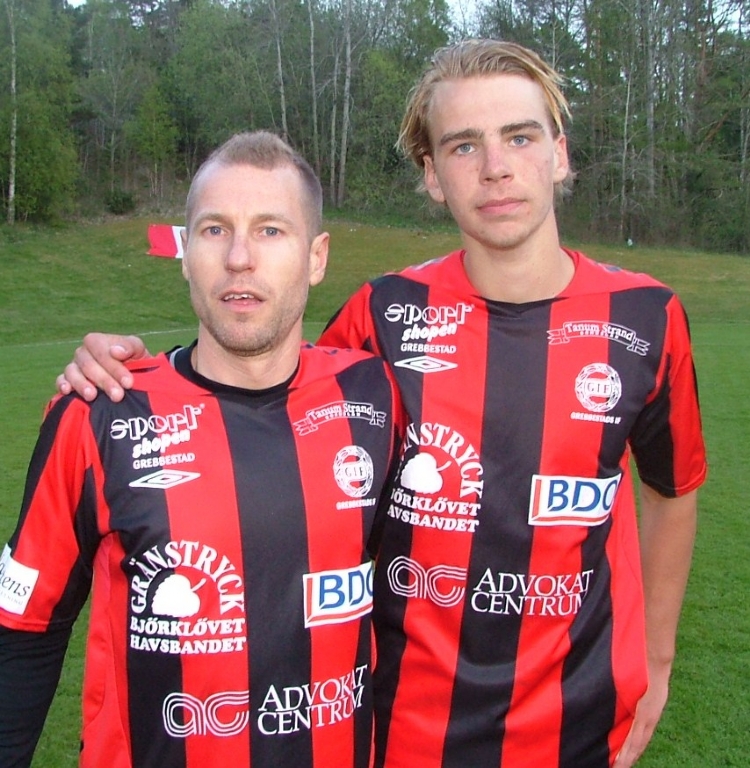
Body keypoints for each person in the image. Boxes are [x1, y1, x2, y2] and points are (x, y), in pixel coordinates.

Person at [54, 40, 707, 768]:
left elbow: (672, 488)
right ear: (432, 177)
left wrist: (657, 658)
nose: (495, 167)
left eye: (520, 137)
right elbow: (264, 396)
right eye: (464, 146)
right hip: (398, 727)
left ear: (559, 153)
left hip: (576, 722)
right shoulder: (384, 314)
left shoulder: (647, 318)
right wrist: (124, 375)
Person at [0, 131, 403, 768]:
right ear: (186, 254)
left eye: (271, 230)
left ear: (316, 257)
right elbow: (22, 633)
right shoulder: (99, 413)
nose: (240, 257)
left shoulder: (376, 396)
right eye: (215, 230)